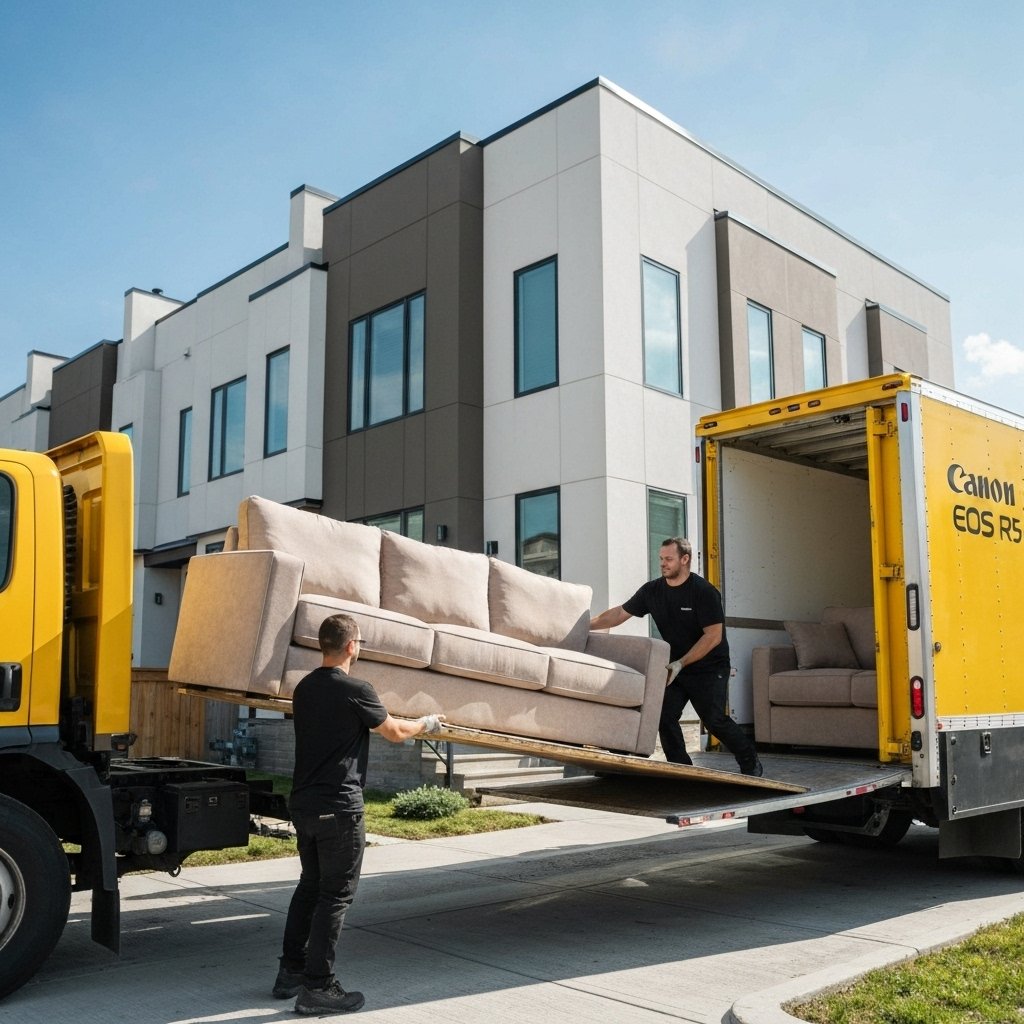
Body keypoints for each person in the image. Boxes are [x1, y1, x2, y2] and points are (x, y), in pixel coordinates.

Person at [273, 612, 446, 1015]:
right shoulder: (355, 689)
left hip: (305, 804)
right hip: (339, 807)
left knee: (310, 887)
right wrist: (427, 723)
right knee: (335, 896)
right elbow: (396, 733)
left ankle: (290, 973)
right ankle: (318, 987)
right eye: (361, 643)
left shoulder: (304, 689)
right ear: (352, 645)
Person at [590, 537, 762, 777]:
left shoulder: (703, 592)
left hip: (709, 667)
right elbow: (620, 613)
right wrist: (586, 625)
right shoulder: (652, 591)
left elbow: (713, 636)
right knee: (663, 716)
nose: (663, 563)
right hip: (676, 667)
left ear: (685, 559)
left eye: (668, 559)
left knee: (713, 721)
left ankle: (748, 759)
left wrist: (682, 662)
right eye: (661, 559)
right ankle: (682, 769)